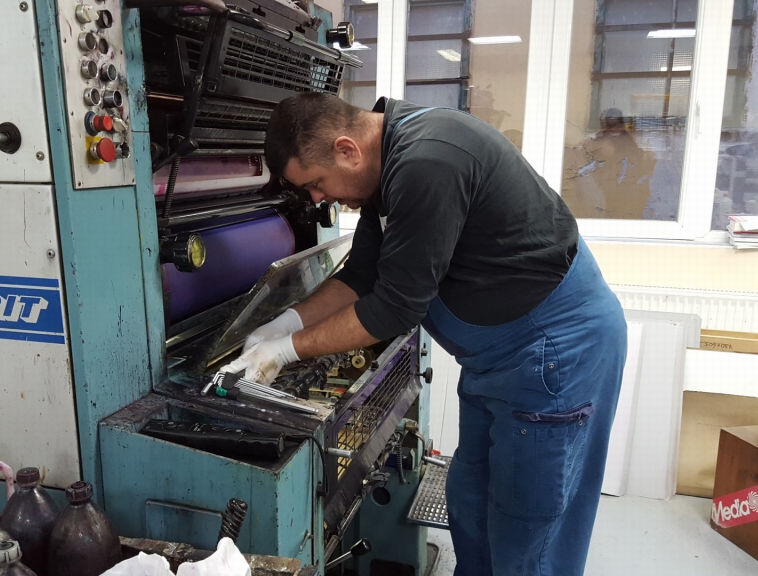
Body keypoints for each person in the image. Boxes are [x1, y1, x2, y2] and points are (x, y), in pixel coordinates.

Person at [220, 93, 628, 576]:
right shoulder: (386, 165)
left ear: (347, 150)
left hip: (552, 352)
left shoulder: (428, 161)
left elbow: (394, 307)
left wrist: (285, 352)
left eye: (315, 184)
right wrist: (285, 322)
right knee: (472, 500)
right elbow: (362, 275)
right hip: (496, 359)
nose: (316, 200)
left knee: (527, 527)